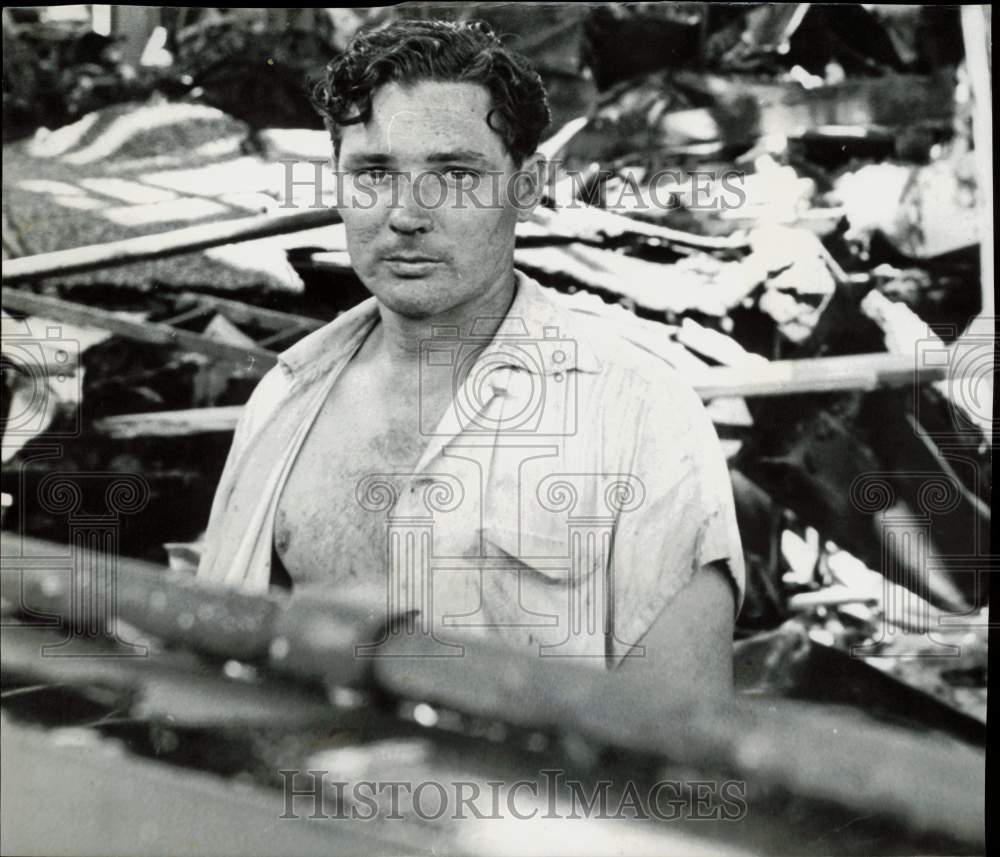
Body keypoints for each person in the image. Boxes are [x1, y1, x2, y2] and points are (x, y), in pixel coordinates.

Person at [197, 19, 744, 696]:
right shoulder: (282, 400)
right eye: (374, 172)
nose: (406, 214)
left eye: (454, 174)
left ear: (526, 185)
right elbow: (226, 664)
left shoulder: (639, 413)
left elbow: (681, 739)